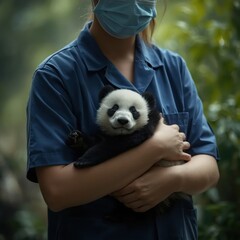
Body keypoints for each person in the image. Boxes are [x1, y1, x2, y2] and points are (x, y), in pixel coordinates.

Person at [26, 0, 220, 239]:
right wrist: (156, 148)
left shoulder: (173, 68)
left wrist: (172, 178)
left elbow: (209, 168)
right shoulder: (55, 76)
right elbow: (57, 192)